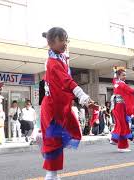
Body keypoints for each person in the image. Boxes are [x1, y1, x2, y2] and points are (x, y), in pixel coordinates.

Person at [40, 27, 96, 180]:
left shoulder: (59, 58)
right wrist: (83, 97)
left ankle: (53, 171)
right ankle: (50, 173)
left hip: (60, 104)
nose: (65, 43)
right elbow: (66, 81)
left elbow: (66, 77)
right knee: (54, 139)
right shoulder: (53, 62)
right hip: (52, 106)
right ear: (52, 42)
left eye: (66, 40)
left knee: (63, 136)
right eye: (62, 40)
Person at [111, 68, 134, 152]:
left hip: (118, 106)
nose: (125, 76)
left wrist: (115, 71)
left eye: (125, 75)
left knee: (121, 124)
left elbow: (114, 79)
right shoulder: (122, 85)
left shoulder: (116, 83)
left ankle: (115, 141)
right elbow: (131, 91)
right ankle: (120, 145)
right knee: (123, 125)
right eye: (123, 75)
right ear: (119, 76)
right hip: (120, 106)